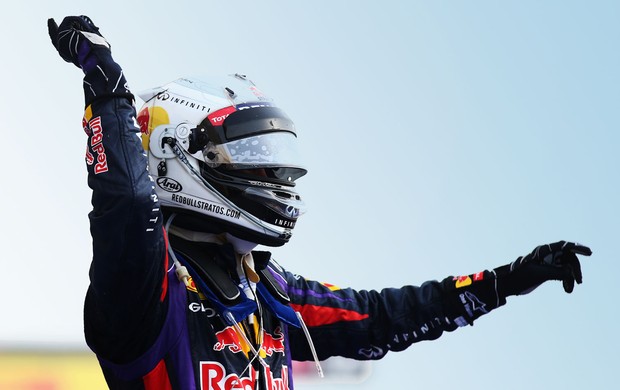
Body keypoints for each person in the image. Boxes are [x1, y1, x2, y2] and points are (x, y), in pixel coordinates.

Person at [47, 15, 592, 390]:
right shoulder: (148, 287)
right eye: (250, 157)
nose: (274, 175)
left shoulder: (269, 291)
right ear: (173, 156)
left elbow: (382, 316)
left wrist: (503, 283)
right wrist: (108, 88)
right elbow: (124, 202)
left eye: (269, 156)